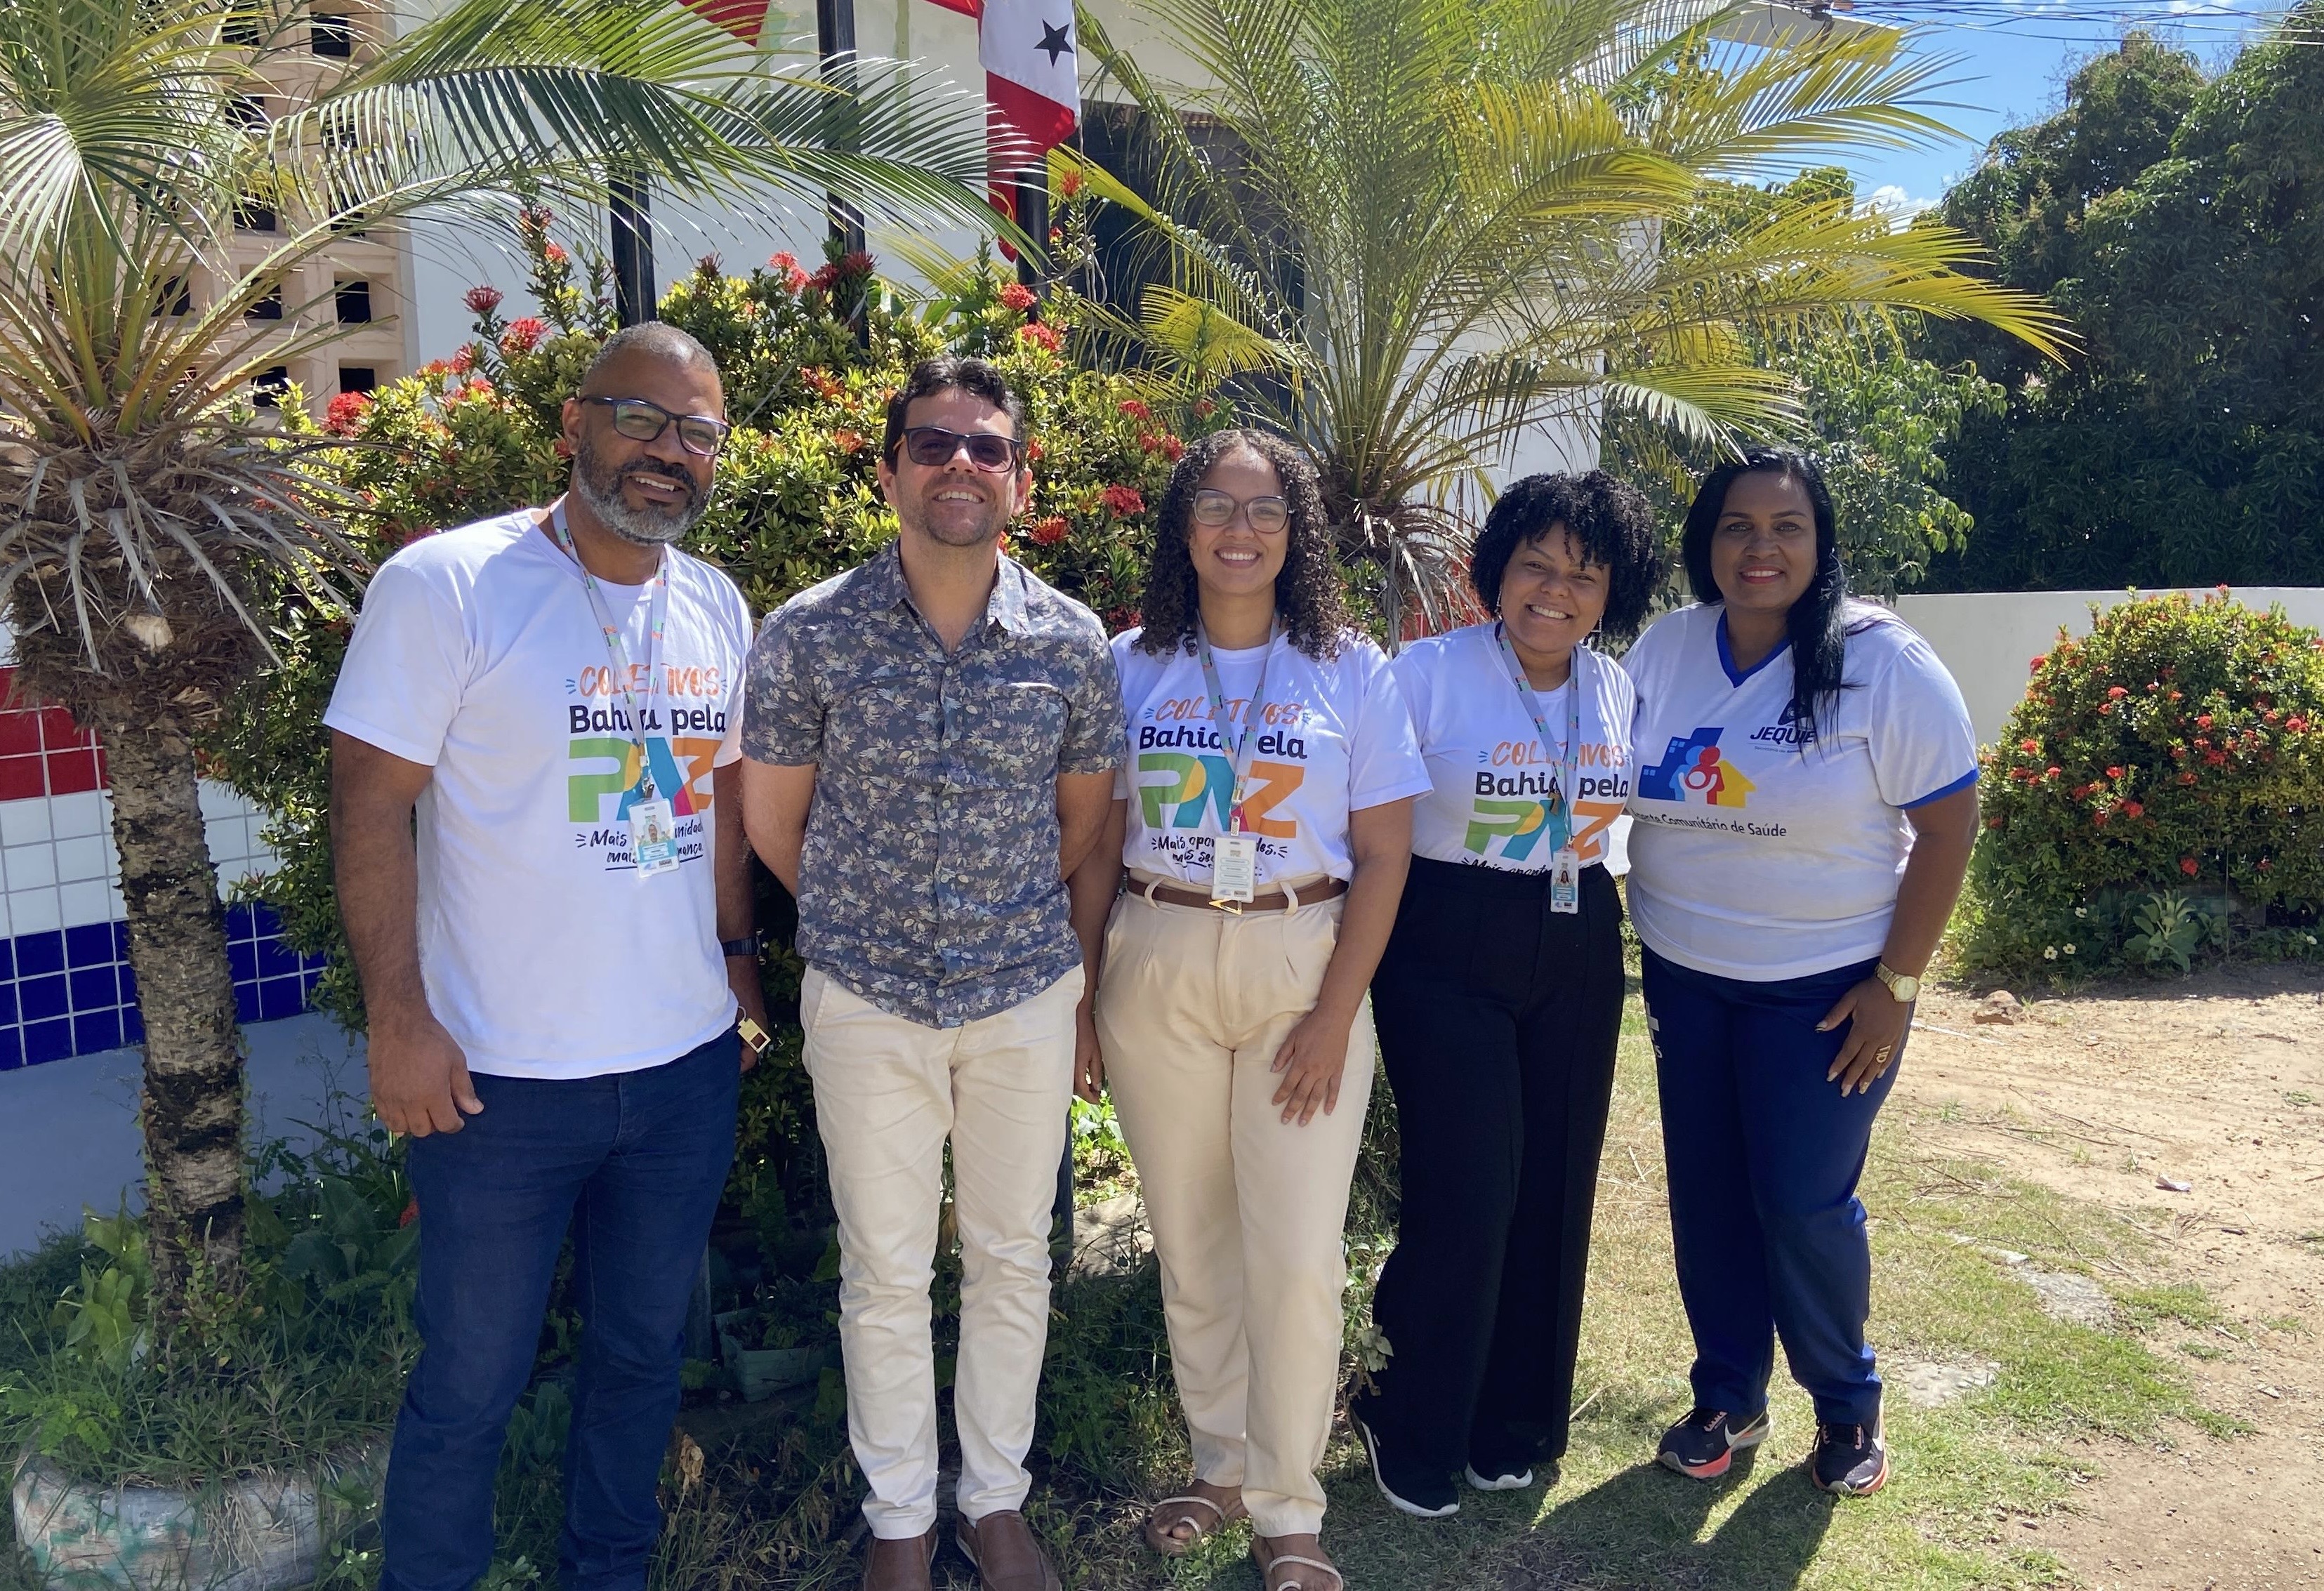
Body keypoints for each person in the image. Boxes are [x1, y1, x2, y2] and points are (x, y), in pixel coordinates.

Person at [329, 322, 770, 1591]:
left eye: (697, 433)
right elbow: (369, 805)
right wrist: (398, 1019)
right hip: (495, 1083)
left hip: (680, 1071)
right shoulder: (448, 585)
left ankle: (607, 1571)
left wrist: (737, 964)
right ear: (574, 422)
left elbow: (717, 803)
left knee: (640, 1359)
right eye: (641, 418)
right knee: (471, 1378)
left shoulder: (714, 602)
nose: (668, 452)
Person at [739, 356, 1123, 1591]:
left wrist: (997, 917)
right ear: (890, 467)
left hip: (1021, 991)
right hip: (867, 995)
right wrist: (877, 913)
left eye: (987, 446)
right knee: (884, 1270)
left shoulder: (1070, 643)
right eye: (933, 442)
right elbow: (773, 823)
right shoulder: (808, 632)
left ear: (1021, 478)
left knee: (1013, 1255)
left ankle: (993, 1502)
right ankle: (900, 1519)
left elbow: (1083, 824)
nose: (961, 462)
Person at [1069, 428, 1429, 1591]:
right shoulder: (1130, 664)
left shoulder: (1350, 668)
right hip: (1155, 951)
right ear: (1183, 526)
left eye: (1265, 507)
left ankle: (1288, 1505)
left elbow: (1385, 855)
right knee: (1191, 1240)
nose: (1240, 528)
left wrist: (1334, 1011)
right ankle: (1217, 1464)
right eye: (1217, 505)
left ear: (1296, 530)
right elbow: (1095, 846)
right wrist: (1083, 996)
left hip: (1299, 960)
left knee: (1295, 1252)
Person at [1625, 446, 1979, 1497]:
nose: (1760, 547)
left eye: (1787, 527)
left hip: (1825, 991)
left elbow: (1950, 824)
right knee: (1708, 1195)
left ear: (1820, 544)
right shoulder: (1665, 648)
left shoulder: (1881, 660)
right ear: (1706, 541)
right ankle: (1727, 1396)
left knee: (1802, 1202)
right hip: (1684, 979)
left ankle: (1846, 1407)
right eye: (1737, 526)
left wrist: (1896, 986)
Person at [1348, 472, 1664, 1518]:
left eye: (1583, 575)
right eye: (1536, 565)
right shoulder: (1427, 672)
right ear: (1497, 570)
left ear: (1611, 592)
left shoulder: (1613, 686)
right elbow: (1368, 822)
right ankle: (1407, 1415)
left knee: (1556, 1186)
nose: (1555, 591)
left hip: (1577, 933)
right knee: (1470, 1188)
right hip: (1447, 933)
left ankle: (1513, 1419)